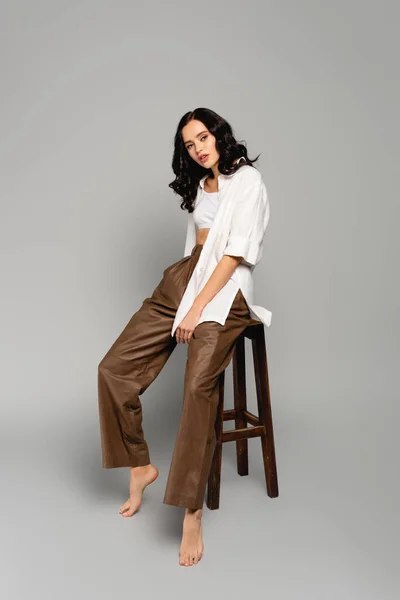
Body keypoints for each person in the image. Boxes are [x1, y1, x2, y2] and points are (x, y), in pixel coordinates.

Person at [97, 107, 272, 567]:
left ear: (219, 134)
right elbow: (195, 246)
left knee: (197, 386)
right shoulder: (199, 184)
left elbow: (233, 255)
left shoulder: (248, 181)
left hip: (225, 289)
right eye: (189, 144)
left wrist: (195, 309)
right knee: (113, 370)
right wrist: (181, 295)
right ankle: (140, 465)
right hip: (184, 278)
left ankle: (191, 512)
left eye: (202, 137)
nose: (197, 148)